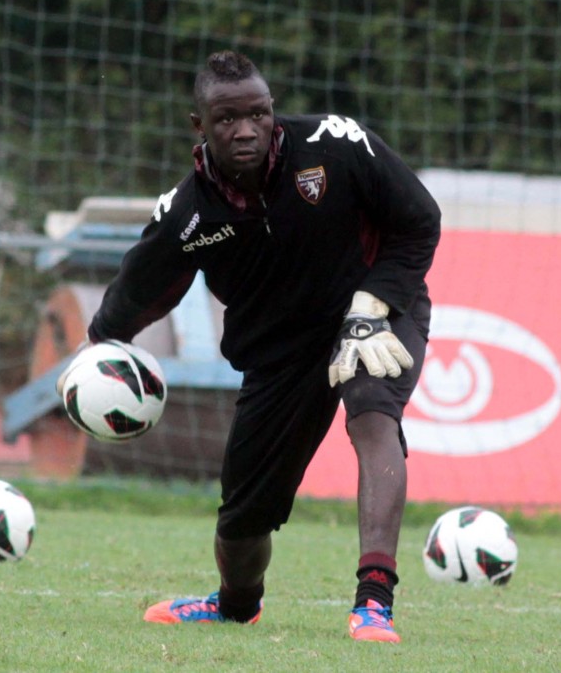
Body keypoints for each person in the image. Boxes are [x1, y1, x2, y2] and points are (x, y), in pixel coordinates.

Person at [59, 50, 440, 643]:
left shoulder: (337, 146)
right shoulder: (187, 214)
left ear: (271, 110)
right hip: (280, 353)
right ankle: (236, 606)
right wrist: (97, 353)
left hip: (370, 314)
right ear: (200, 126)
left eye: (258, 114)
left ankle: (373, 602)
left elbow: (420, 220)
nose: (247, 131)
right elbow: (134, 295)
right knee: (241, 519)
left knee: (371, 411)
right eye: (227, 119)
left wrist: (373, 304)